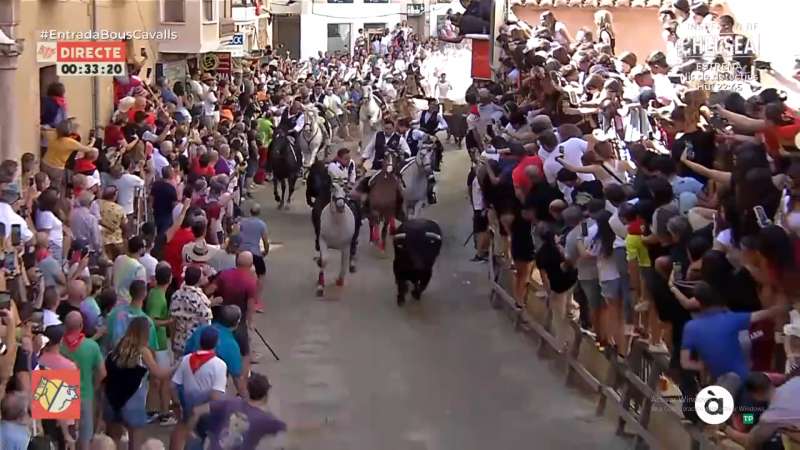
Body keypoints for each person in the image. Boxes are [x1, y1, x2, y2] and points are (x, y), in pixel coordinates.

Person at [103, 317, 174, 450]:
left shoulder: (118, 347)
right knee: (135, 442)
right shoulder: (142, 351)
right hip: (133, 400)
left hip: (112, 399)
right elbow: (158, 373)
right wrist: (176, 367)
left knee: (113, 441)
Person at [189, 373, 287, 450]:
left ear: (248, 390)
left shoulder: (231, 402)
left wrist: (191, 432)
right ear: (265, 395)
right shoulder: (266, 419)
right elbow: (285, 430)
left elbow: (196, 410)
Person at [170, 326, 228, 450]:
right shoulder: (219, 365)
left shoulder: (185, 359)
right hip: (208, 413)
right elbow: (216, 396)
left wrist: (176, 404)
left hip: (187, 409)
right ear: (217, 343)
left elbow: (173, 385)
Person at [208, 252, 258, 377]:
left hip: (220, 319)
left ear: (236, 262)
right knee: (245, 354)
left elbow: (209, 289)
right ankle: (244, 379)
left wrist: (210, 301)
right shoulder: (250, 281)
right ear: (251, 265)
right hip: (239, 321)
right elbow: (251, 304)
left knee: (219, 349)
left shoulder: (224, 274)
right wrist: (250, 321)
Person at [61, 311, 106, 450]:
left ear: (65, 326)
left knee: (65, 438)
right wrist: (94, 385)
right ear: (81, 326)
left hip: (61, 396)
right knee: (85, 439)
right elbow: (102, 372)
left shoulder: (58, 345)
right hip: (85, 395)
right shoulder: (91, 346)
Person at [146, 263, 175, 425]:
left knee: (156, 379)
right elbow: (153, 321)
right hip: (158, 344)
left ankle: (154, 409)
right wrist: (171, 320)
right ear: (169, 279)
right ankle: (163, 413)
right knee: (163, 379)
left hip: (159, 343)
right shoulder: (158, 297)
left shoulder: (155, 293)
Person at [169, 266, 214, 356]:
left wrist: (172, 340)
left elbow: (172, 321)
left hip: (178, 342)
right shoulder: (201, 299)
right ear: (198, 280)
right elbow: (206, 324)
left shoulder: (176, 295)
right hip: (194, 344)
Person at [112, 236, 147, 303]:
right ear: (140, 249)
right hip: (127, 304)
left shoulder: (119, 259)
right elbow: (140, 293)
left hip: (113, 301)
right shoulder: (139, 268)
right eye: (144, 246)